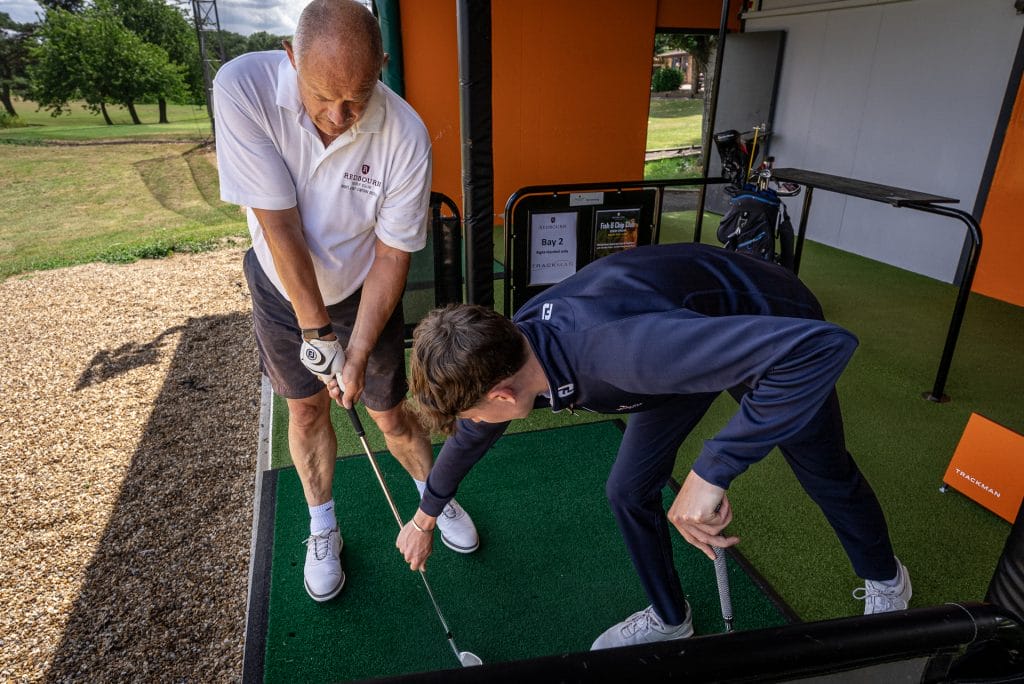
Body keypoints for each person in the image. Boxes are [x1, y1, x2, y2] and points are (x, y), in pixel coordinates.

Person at [397, 242, 911, 650]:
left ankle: (888, 580)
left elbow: (825, 346)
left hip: (774, 323)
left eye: (474, 411)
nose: (474, 423)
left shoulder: (622, 356)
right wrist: (424, 519)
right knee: (628, 489)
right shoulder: (514, 345)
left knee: (824, 471)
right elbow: (471, 437)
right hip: (679, 338)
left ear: (502, 393)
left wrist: (711, 470)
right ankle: (671, 618)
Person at [212, 0, 479, 603]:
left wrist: (354, 350)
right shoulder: (242, 87)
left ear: (382, 66)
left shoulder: (405, 133)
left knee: (388, 410)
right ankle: (322, 527)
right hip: (283, 288)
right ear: (290, 58)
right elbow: (279, 227)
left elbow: (392, 255)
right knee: (306, 411)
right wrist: (318, 337)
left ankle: (431, 498)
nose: (339, 115)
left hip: (364, 289)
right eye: (322, 95)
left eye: (357, 97)